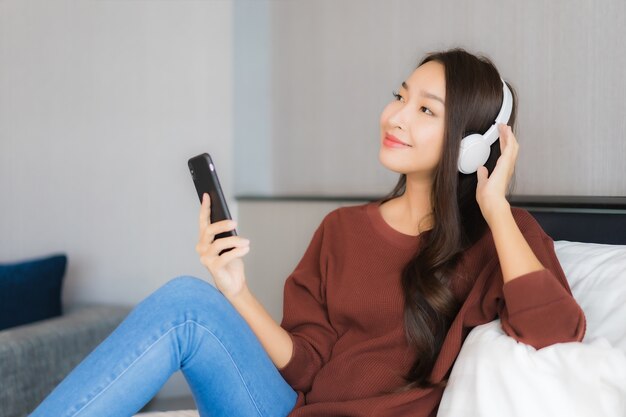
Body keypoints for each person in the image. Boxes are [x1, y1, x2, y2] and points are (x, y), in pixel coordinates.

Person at [29, 47, 586, 417]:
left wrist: (494, 204)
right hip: (289, 407)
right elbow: (306, 363)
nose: (395, 116)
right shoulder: (341, 229)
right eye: (399, 96)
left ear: (472, 143)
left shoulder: (501, 238)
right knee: (188, 303)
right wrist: (236, 291)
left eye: (425, 110)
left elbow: (557, 332)